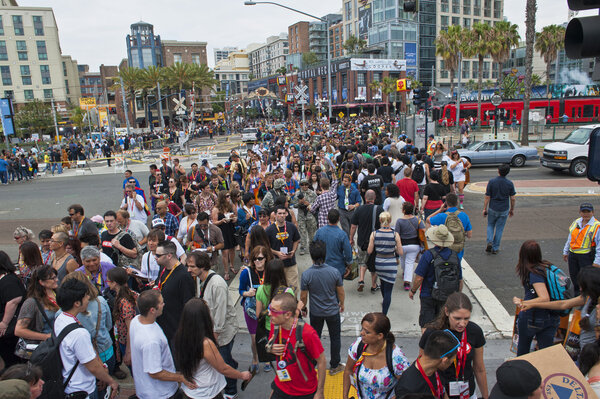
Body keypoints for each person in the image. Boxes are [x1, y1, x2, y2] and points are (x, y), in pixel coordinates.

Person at [186, 252, 241, 399]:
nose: (188, 270)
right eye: (188, 266)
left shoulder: (217, 284)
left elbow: (221, 314)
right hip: (210, 331)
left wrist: (214, 339)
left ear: (203, 266)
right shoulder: (199, 279)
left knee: (223, 362)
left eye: (192, 266)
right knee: (222, 360)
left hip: (222, 333)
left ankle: (231, 390)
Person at [173, 298, 252, 399]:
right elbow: (223, 368)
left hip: (190, 390)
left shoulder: (180, 336)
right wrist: (241, 375)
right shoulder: (205, 344)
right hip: (207, 392)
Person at [515, 266, 600, 358]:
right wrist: (533, 304)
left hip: (594, 357)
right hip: (584, 354)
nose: (580, 289)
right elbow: (563, 304)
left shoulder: (595, 304)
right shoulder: (588, 297)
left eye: (582, 286)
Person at [54, 278, 119, 398]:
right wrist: (111, 381)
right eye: (85, 296)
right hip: (82, 389)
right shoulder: (79, 333)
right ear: (77, 303)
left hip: (69, 382)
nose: (88, 298)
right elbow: (93, 367)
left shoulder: (60, 318)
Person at [127, 290, 196, 399]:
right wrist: (181, 377)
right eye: (161, 303)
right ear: (152, 310)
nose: (164, 304)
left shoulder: (136, 321)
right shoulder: (151, 341)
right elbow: (155, 372)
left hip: (145, 389)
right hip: (161, 393)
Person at [420, 292, 489, 399]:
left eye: (466, 318)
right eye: (457, 318)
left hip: (467, 393)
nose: (462, 324)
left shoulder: (475, 331)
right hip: (440, 393)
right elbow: (423, 367)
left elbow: (479, 368)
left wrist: (486, 397)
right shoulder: (432, 333)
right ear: (447, 312)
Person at [268, 293, 327, 399]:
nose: (269, 313)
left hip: (304, 392)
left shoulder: (308, 333)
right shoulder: (275, 324)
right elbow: (270, 343)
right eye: (270, 308)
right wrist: (270, 348)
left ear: (287, 315)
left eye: (274, 311)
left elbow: (322, 361)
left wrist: (320, 392)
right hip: (281, 385)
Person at [300, 240, 345, 376]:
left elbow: (303, 296)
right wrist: (341, 304)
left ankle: (314, 363)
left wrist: (304, 308)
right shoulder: (334, 272)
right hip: (332, 311)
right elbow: (341, 291)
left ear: (312, 256)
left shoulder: (306, 274)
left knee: (315, 338)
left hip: (316, 312)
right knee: (335, 338)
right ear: (325, 254)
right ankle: (334, 365)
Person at [342, 312, 410, 399]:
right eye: (362, 329)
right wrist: (345, 396)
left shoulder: (397, 359)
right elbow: (348, 370)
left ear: (380, 336)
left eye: (367, 332)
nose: (362, 333)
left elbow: (408, 386)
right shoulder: (358, 346)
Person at [511, 240, 561, 355]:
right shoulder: (547, 266)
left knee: (523, 350)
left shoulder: (534, 273)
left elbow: (544, 298)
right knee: (545, 354)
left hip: (533, 317)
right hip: (551, 317)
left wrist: (523, 302)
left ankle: (522, 371)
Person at [410, 225, 463, 330]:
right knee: (444, 324)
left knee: (426, 324)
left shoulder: (428, 255)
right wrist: (457, 295)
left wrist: (413, 290)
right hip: (448, 296)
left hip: (428, 294)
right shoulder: (454, 255)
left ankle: (426, 345)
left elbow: (419, 277)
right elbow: (460, 279)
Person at [394, 330, 460, 399]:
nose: (452, 363)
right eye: (453, 360)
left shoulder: (438, 368)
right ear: (444, 360)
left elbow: (442, 391)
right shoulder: (407, 388)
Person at [239, 245, 272, 373]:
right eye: (254, 259)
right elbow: (241, 290)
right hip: (251, 311)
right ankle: (255, 359)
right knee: (254, 338)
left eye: (260, 258)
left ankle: (267, 358)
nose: (257, 262)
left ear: (266, 259)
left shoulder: (270, 271)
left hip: (267, 310)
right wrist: (247, 293)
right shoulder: (246, 273)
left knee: (267, 336)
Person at [14, 266, 59, 360]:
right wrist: (46, 336)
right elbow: (19, 330)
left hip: (59, 345)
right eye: (52, 278)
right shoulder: (31, 302)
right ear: (41, 282)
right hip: (45, 350)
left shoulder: (58, 295)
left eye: (56, 277)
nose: (56, 280)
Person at [155, 240, 195, 343]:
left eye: (158, 255)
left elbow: (188, 305)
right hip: (163, 325)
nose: (155, 257)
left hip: (177, 331)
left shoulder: (184, 276)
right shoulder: (163, 269)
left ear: (169, 256)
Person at [367, 212, 403, 315]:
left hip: (379, 262)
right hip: (391, 263)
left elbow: (369, 251)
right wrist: (394, 248)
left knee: (383, 283)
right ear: (390, 221)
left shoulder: (374, 234)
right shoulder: (395, 234)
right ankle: (384, 313)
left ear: (380, 221)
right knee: (389, 290)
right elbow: (400, 252)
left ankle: (385, 301)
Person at [562, 203, 600, 295]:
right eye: (584, 212)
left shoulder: (596, 226)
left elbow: (599, 245)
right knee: (575, 277)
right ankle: (577, 296)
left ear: (593, 212)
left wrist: (597, 262)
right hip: (573, 255)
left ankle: (587, 298)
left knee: (586, 279)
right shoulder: (576, 222)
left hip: (586, 256)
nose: (586, 214)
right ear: (580, 212)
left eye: (588, 212)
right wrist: (566, 251)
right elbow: (570, 237)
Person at [106, 267, 138, 373]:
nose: (107, 284)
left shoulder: (124, 302)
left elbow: (130, 328)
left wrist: (128, 351)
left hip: (127, 342)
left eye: (108, 281)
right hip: (123, 340)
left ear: (115, 283)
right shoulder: (129, 294)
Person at [350, 190, 383, 293]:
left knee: (362, 261)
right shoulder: (380, 209)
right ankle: (374, 285)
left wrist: (351, 238)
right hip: (375, 241)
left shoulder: (359, 209)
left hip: (362, 241)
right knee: (374, 265)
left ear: (365, 197)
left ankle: (361, 279)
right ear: (375, 198)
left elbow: (353, 226)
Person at [266, 206, 301, 295]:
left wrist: (293, 251)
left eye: (283, 213)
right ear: (275, 215)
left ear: (286, 214)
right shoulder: (269, 230)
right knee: (278, 289)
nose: (282, 215)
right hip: (276, 265)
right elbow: (266, 246)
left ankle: (293, 306)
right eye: (279, 213)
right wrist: (276, 252)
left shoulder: (291, 227)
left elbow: (296, 240)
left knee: (293, 288)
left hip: (291, 263)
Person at [427, 193, 472, 262]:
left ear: (446, 203)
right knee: (457, 268)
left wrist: (440, 210)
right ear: (457, 202)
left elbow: (428, 219)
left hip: (445, 248)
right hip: (458, 249)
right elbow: (469, 235)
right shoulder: (464, 216)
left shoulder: (442, 216)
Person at [0, 251, 26, 367]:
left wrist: (4, 323)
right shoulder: (6, 278)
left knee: (11, 360)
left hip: (10, 329)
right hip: (8, 328)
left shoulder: (9, 280)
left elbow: (14, 300)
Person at [483, 164, 516, 254]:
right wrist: (512, 209)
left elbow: (487, 197)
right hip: (504, 208)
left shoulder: (492, 182)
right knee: (499, 229)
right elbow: (513, 198)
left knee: (490, 225)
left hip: (493, 207)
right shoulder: (509, 183)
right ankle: (495, 247)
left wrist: (484, 208)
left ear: (498, 170)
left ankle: (489, 241)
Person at [313, 209, 353, 279]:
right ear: (339, 219)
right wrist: (349, 265)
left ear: (327, 218)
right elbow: (348, 252)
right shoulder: (342, 235)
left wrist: (315, 262)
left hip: (322, 267)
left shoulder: (319, 232)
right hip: (338, 268)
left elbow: (313, 248)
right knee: (337, 288)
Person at [395, 202, 425, 291]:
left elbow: (397, 234)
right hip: (414, 245)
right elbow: (423, 230)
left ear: (403, 211)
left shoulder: (399, 221)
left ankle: (405, 273)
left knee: (403, 260)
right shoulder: (417, 220)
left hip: (402, 245)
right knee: (410, 262)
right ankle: (407, 281)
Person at [212, 190, 238, 281]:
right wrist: (222, 221)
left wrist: (234, 219)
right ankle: (226, 271)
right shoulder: (216, 209)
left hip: (230, 229)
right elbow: (214, 222)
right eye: (227, 196)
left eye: (229, 196)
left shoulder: (231, 206)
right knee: (225, 252)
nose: (229, 198)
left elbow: (235, 216)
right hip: (222, 231)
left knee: (232, 249)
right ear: (222, 198)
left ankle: (232, 265)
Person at [293, 179, 318, 256]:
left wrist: (309, 204)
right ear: (300, 185)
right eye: (302, 185)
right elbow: (293, 204)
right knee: (302, 232)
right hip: (301, 217)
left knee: (312, 233)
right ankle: (303, 247)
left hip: (310, 216)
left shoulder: (312, 193)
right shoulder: (297, 194)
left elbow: (317, 204)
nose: (304, 186)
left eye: (306, 184)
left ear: (308, 185)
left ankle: (312, 246)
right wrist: (299, 203)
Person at [337, 174, 362, 238]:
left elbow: (359, 202)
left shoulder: (355, 191)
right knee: (345, 229)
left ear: (350, 182)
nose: (344, 182)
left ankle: (350, 240)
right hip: (342, 211)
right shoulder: (340, 188)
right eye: (343, 181)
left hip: (351, 212)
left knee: (351, 229)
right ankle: (347, 242)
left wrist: (353, 206)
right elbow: (336, 197)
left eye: (346, 181)